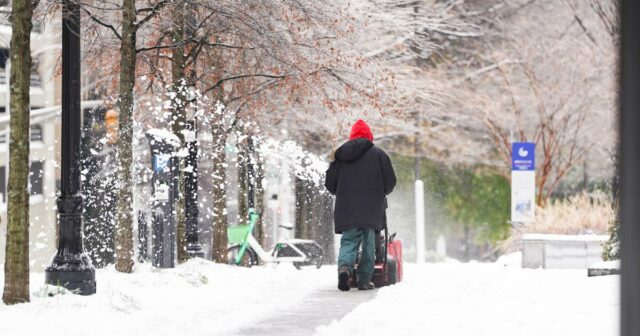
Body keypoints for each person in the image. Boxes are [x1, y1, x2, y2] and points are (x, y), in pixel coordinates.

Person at [325, 119, 397, 291]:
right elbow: (391, 182)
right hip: (372, 208)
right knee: (369, 244)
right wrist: (381, 192)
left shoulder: (340, 155)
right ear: (369, 136)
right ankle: (364, 280)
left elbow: (329, 183)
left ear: (351, 136)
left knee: (349, 241)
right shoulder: (380, 155)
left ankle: (345, 268)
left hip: (347, 207)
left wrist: (342, 193)